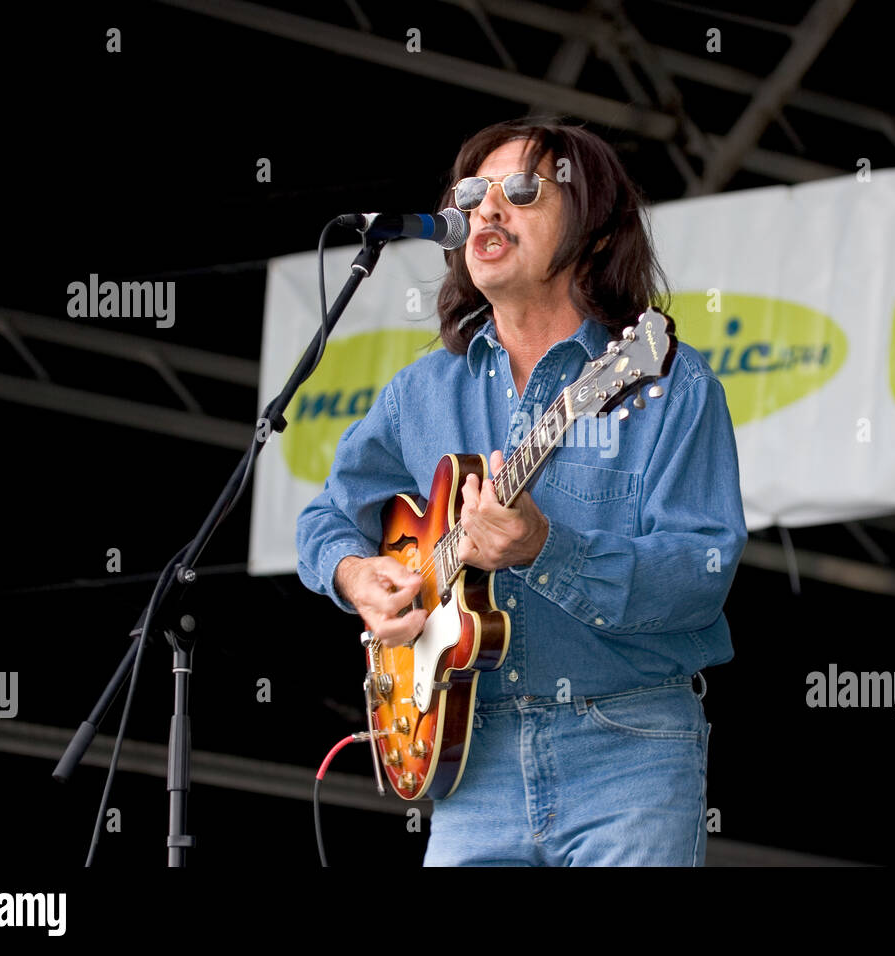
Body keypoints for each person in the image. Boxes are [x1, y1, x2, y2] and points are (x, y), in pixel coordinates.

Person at [296, 119, 746, 866]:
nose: (488, 210)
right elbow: (326, 517)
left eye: (525, 191)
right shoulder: (421, 391)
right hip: (472, 761)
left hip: (627, 751)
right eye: (472, 194)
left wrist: (547, 549)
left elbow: (701, 576)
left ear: (597, 231)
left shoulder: (666, 384)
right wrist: (356, 576)